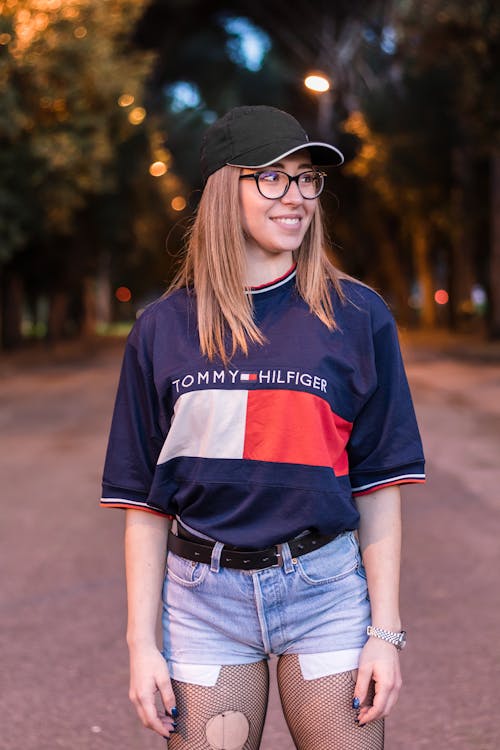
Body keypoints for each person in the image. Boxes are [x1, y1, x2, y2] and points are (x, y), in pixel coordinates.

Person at [101, 105, 425, 749]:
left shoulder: (358, 314)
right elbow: (143, 503)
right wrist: (143, 645)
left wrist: (384, 633)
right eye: (272, 178)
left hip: (325, 593)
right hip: (203, 602)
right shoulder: (162, 329)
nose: (297, 197)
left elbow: (378, 486)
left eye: (306, 178)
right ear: (227, 189)